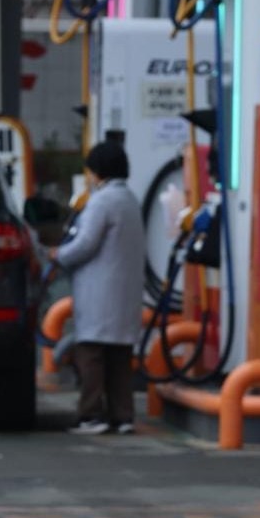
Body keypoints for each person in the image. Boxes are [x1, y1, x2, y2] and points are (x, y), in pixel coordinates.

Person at [49, 140, 147, 434]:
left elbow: (85, 244)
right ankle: (123, 416)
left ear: (98, 171)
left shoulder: (101, 202)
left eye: (90, 171)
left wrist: (58, 254)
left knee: (91, 355)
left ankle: (91, 415)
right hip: (126, 293)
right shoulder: (130, 200)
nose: (89, 177)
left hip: (99, 293)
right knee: (119, 357)